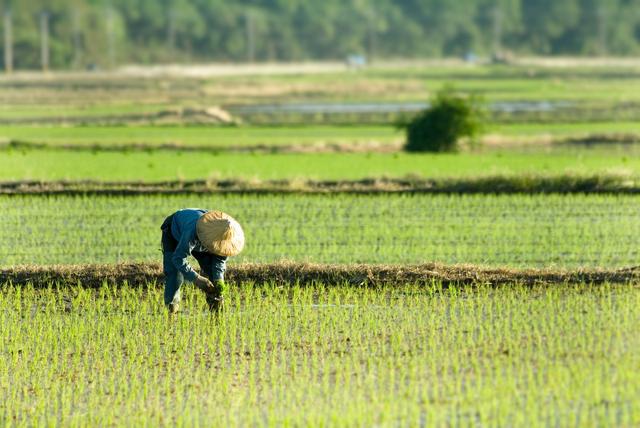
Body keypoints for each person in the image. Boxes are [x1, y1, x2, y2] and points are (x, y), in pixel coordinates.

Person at [160, 209, 245, 314]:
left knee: (212, 272)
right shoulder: (193, 231)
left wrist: (219, 281)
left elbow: (219, 262)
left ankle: (215, 307)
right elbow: (178, 258)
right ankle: (171, 308)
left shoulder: (225, 240)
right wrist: (197, 279)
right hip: (174, 233)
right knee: (175, 274)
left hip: (202, 243)